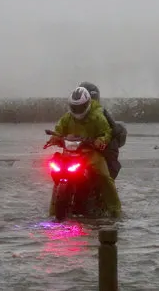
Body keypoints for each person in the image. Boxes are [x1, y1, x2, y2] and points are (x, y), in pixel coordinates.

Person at [45, 86, 121, 218]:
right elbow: (59, 130)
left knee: (104, 176)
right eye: (75, 107)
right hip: (70, 153)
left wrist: (101, 140)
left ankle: (115, 209)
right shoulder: (67, 118)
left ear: (87, 104)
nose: (77, 110)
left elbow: (107, 132)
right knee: (56, 173)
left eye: (80, 107)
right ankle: (52, 212)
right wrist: (54, 138)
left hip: (90, 153)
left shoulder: (97, 117)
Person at [78, 81, 127, 179]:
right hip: (78, 150)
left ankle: (106, 190)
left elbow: (114, 130)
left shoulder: (101, 113)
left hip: (98, 150)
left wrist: (104, 139)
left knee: (107, 176)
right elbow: (63, 125)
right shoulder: (73, 112)